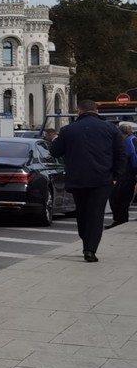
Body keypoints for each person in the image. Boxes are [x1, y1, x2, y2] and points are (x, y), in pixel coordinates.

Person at [50, 99, 129, 262]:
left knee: (82, 212)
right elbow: (122, 154)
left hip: (77, 178)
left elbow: (55, 152)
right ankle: (90, 248)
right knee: (96, 213)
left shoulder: (68, 130)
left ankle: (86, 240)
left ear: (79, 111)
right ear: (96, 111)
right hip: (102, 179)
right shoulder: (111, 129)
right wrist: (116, 176)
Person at [112, 121, 137, 227]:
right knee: (122, 198)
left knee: (120, 197)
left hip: (127, 174)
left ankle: (120, 220)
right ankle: (120, 219)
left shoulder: (130, 141)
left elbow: (133, 157)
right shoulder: (131, 140)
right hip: (128, 174)